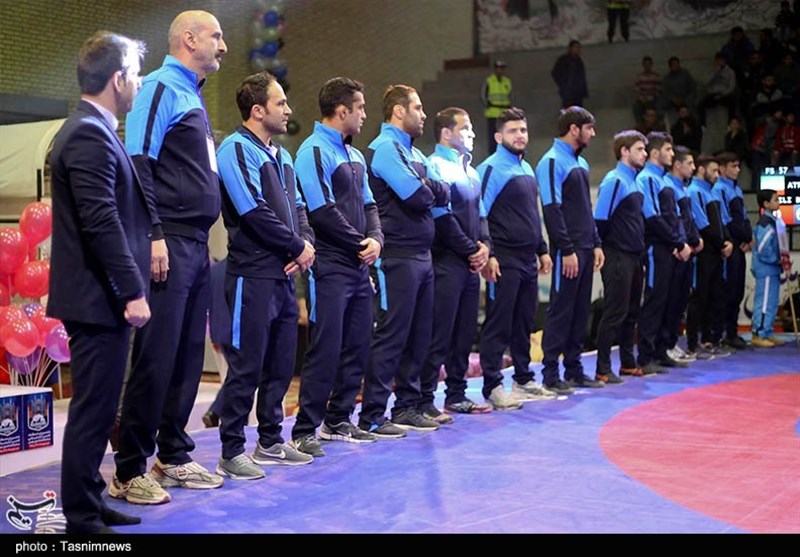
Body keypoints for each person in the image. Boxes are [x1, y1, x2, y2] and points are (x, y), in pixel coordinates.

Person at [113, 10, 227, 504]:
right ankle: (128, 469)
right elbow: (138, 161)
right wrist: (153, 233)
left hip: (197, 243)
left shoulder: (193, 95)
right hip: (168, 241)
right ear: (189, 39)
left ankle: (174, 455)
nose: (223, 45)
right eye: (216, 36)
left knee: (185, 358)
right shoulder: (159, 87)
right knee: (156, 356)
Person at [48, 31, 150, 533]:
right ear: (118, 79)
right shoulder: (88, 133)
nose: (140, 83)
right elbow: (101, 221)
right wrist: (132, 290)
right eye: (136, 73)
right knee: (93, 410)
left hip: (97, 295)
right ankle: (82, 517)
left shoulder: (94, 129)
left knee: (101, 404)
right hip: (97, 297)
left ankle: (88, 498)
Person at [214, 71, 316, 478]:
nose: (288, 109)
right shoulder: (235, 149)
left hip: (284, 275)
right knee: (247, 366)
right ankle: (231, 449)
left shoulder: (283, 156)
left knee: (280, 364)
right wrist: (296, 246)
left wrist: (306, 244)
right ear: (257, 110)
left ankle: (270, 441)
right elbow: (253, 211)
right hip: (251, 275)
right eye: (280, 103)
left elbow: (300, 209)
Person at [290, 77, 383, 456]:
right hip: (329, 265)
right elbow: (321, 211)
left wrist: (376, 239)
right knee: (325, 348)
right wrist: (361, 244)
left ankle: (339, 419)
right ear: (342, 110)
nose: (364, 115)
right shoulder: (312, 151)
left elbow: (370, 205)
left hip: (359, 265)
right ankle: (304, 429)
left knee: (358, 345)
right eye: (360, 108)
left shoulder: (356, 156)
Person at [357, 85, 450, 436]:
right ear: (399, 111)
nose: (424, 115)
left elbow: (443, 193)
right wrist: (427, 186)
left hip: (422, 255)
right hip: (396, 255)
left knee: (419, 336)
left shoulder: (415, 153)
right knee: (392, 335)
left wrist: (427, 185)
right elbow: (417, 196)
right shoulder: (384, 149)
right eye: (418, 108)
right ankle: (373, 414)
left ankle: (407, 407)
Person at [419, 107, 496, 417]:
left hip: (469, 264)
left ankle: (456, 394)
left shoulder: (471, 171)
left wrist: (485, 247)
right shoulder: (434, 165)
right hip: (446, 262)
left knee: (464, 333)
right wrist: (470, 250)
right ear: (446, 133)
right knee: (439, 333)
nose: (472, 133)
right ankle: (424, 399)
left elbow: (482, 215)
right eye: (465, 128)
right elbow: (441, 217)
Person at [477, 107, 554, 409]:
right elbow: (479, 212)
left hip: (527, 259)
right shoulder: (491, 168)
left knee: (524, 320)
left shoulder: (527, 169)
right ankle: (493, 385)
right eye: (513, 131)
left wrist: (542, 249)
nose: (520, 135)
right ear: (499, 137)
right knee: (499, 321)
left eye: (523, 130)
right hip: (503, 258)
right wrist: (489, 254)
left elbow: (532, 215)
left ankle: (523, 378)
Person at [536, 107, 605, 394]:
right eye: (589, 128)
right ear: (574, 129)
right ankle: (551, 373)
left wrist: (596, 242)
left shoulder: (581, 163)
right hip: (569, 251)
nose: (593, 134)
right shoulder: (551, 161)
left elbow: (586, 209)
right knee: (561, 310)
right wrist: (566, 249)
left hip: (586, 247)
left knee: (580, 310)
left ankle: (574, 369)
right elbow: (552, 209)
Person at [593, 130, 647, 384]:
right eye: (639, 149)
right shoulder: (614, 180)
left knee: (631, 312)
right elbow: (600, 220)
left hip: (634, 255)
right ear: (624, 151)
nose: (644, 154)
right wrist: (604, 249)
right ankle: (602, 368)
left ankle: (627, 362)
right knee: (615, 311)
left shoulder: (635, 181)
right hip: (617, 254)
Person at [636, 132, 692, 375]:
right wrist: (677, 243)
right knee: (655, 300)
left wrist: (678, 243)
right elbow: (652, 217)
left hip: (668, 247)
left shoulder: (661, 180)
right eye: (668, 150)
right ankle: (645, 356)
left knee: (668, 300)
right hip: (655, 247)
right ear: (655, 152)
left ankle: (660, 350)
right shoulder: (648, 178)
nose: (672, 154)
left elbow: (673, 217)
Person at [686, 155, 733, 359]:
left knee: (715, 296)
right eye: (713, 171)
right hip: (703, 253)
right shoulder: (694, 191)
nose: (717, 175)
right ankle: (693, 344)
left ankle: (709, 339)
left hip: (716, 252)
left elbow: (721, 222)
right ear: (701, 170)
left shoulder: (710, 192)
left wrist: (728, 241)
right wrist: (722, 244)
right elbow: (702, 225)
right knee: (700, 298)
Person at [662, 146, 703, 365]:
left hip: (687, 250)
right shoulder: (668, 187)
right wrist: (680, 244)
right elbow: (673, 222)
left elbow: (689, 219)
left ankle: (671, 342)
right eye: (690, 163)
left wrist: (696, 240)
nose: (694, 168)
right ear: (677, 165)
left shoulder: (683, 188)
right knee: (670, 301)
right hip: (677, 252)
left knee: (680, 301)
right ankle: (665, 345)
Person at [714, 151, 752, 350]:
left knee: (737, 290)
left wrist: (749, 238)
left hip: (741, 245)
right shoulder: (719, 189)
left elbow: (744, 217)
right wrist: (737, 239)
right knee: (727, 291)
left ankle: (732, 332)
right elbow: (725, 220)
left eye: (738, 166)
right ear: (722, 168)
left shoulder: (736, 189)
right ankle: (720, 334)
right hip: (731, 245)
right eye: (733, 166)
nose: (737, 170)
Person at [750, 190, 790, 346]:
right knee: (764, 301)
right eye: (775, 199)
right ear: (766, 204)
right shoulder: (765, 224)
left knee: (771, 302)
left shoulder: (774, 222)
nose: (778, 202)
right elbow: (763, 248)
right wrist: (776, 259)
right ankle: (758, 333)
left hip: (772, 269)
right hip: (766, 268)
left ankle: (767, 331)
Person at [697, 53, 737, 128]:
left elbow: (732, 86)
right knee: (700, 105)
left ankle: (730, 125)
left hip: (724, 94)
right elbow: (705, 82)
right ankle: (702, 125)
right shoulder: (710, 70)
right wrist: (714, 72)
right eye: (718, 60)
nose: (720, 62)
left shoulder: (731, 72)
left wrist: (722, 94)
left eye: (722, 60)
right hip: (712, 94)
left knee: (732, 104)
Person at [481, 61, 512, 156]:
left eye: (502, 68)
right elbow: (483, 95)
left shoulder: (507, 81)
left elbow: (509, 95)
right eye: (498, 68)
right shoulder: (489, 81)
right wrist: (488, 105)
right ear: (495, 69)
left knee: (505, 135)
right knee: (493, 137)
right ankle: (493, 155)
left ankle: (505, 154)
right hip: (493, 113)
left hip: (504, 114)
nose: (500, 70)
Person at [551, 41, 588, 108]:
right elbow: (555, 73)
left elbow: (582, 77)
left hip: (578, 92)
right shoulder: (563, 60)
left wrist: (583, 90)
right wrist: (563, 84)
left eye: (578, 48)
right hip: (568, 91)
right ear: (570, 48)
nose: (577, 49)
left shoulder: (579, 61)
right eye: (575, 47)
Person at [633, 56, 661, 126]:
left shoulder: (656, 76)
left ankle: (656, 124)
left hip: (653, 98)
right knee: (636, 106)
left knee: (657, 105)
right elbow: (637, 90)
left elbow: (658, 89)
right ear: (643, 65)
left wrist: (651, 97)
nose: (647, 66)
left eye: (649, 64)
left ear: (651, 65)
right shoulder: (639, 77)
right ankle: (640, 124)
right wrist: (642, 98)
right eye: (645, 64)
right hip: (642, 98)